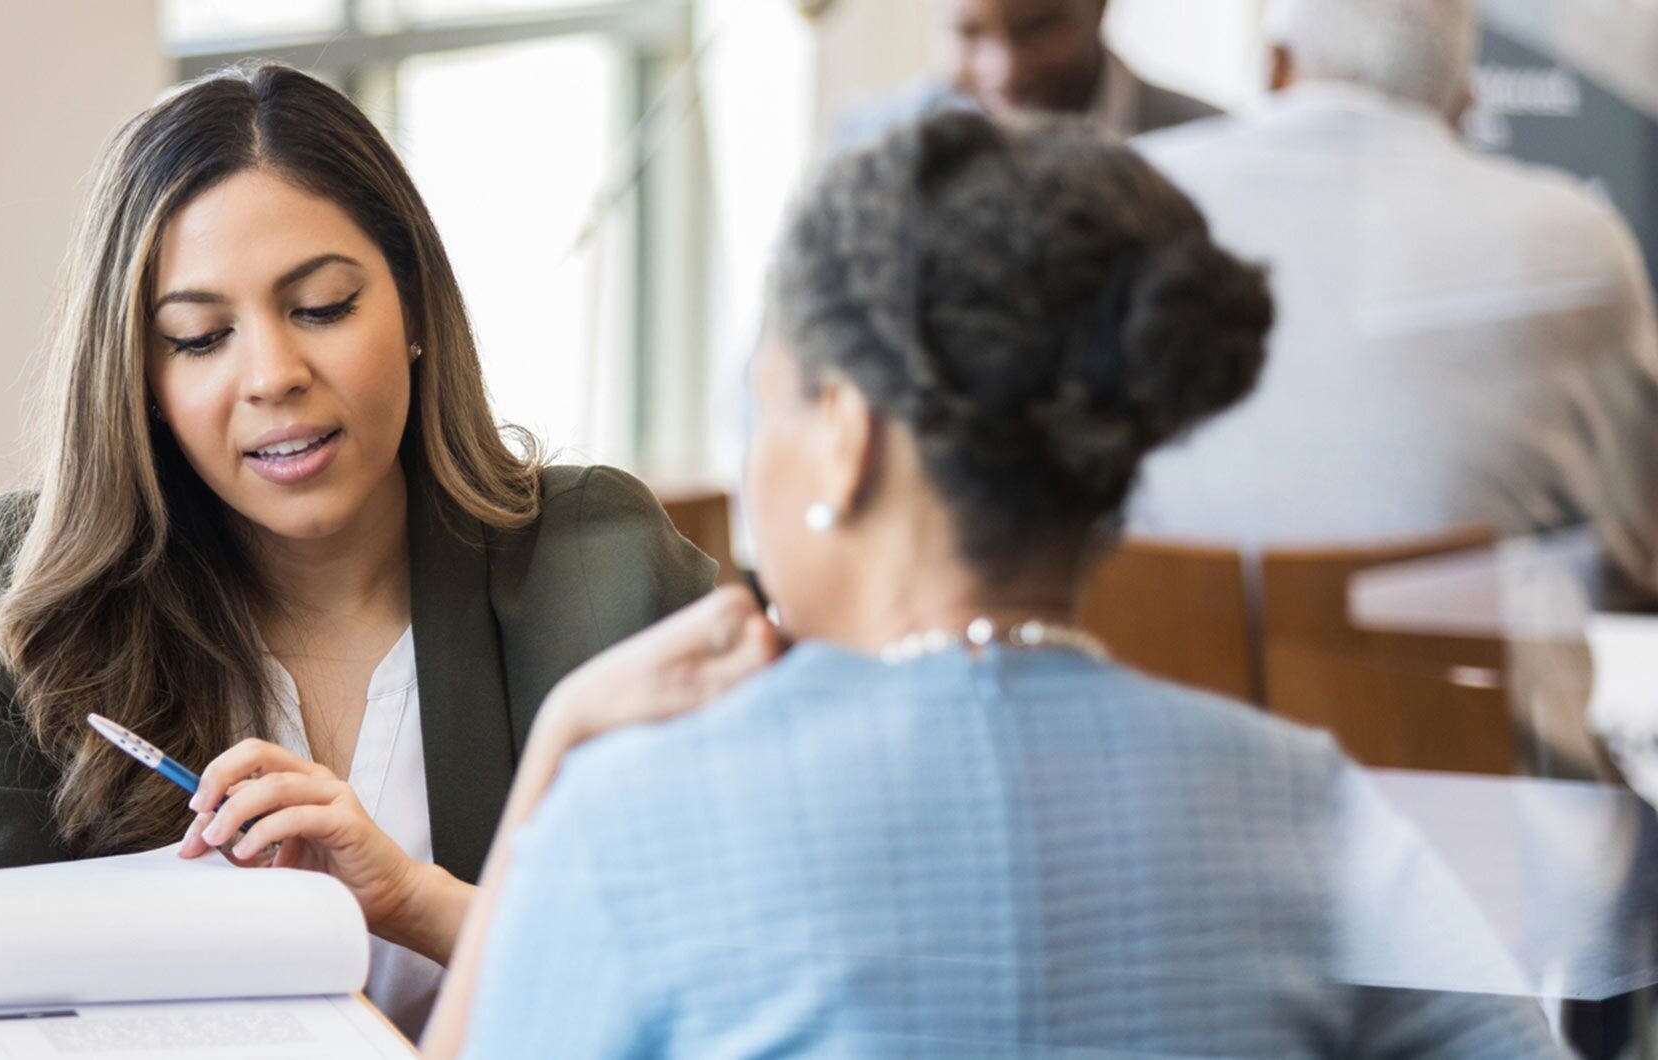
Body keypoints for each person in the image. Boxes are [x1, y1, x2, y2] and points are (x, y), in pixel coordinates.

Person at [424, 112, 1565, 1057]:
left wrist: (555, 763)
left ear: (842, 436)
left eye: (765, 407)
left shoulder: (632, 818)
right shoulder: (1306, 805)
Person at [0, 62, 716, 1038]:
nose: (271, 375)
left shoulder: (597, 565)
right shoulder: (40, 583)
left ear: (417, 305)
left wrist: (411, 900)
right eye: (199, 336)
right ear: (137, 376)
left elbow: (725, 972)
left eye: (321, 307)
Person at [1128, 0, 1658, 591]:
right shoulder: (1579, 239)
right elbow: (1640, 533)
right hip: (1458, 676)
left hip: (1157, 660)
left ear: (1275, 67)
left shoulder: (1133, 196)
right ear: (1464, 102)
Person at [832, 0, 1219, 149]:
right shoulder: (869, 142)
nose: (1005, 71)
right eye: (968, 34)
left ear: (1100, 7)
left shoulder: (1210, 141)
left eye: (1038, 28)